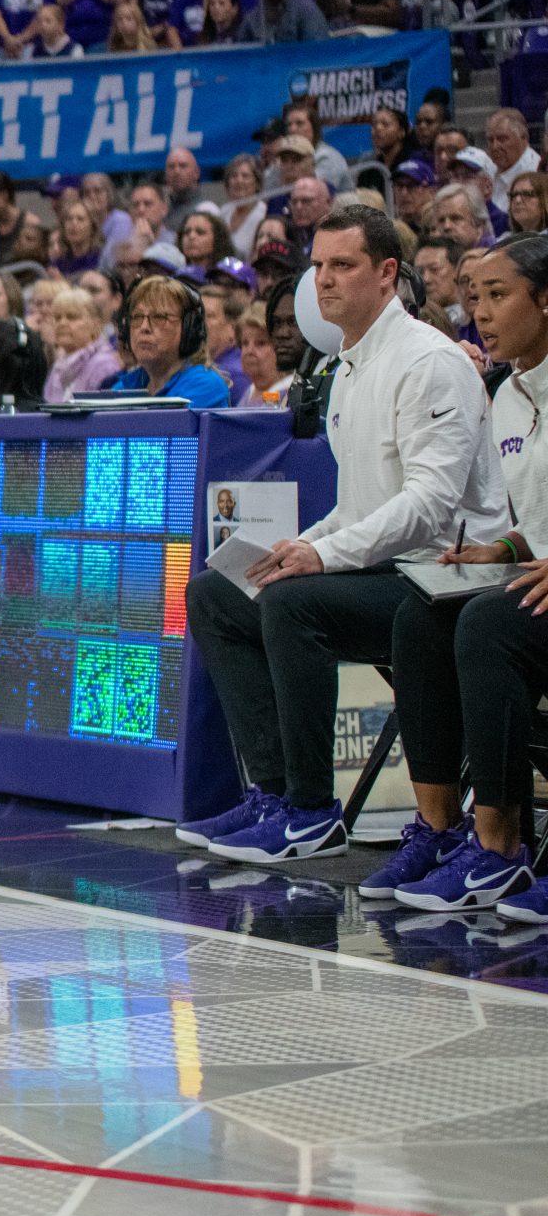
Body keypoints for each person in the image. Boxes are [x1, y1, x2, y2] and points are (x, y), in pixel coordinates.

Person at [181, 206, 507, 865]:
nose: (323, 281)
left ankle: (310, 810)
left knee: (293, 603)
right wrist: (298, 545)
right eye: (318, 266)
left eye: (342, 265)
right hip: (388, 570)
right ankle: (273, 794)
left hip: (447, 578)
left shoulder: (430, 360)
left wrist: (322, 554)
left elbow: (429, 506)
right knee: (216, 595)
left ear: (387, 273)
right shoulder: (348, 366)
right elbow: (361, 505)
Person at [375, 233, 548, 911]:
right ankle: (442, 827)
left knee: (486, 625)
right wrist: (505, 548)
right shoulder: (504, 396)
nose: (481, 311)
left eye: (499, 295)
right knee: (421, 613)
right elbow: (536, 516)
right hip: (535, 578)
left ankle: (503, 840)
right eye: (475, 296)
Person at [105, 276, 235, 406]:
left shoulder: (206, 386)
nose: (144, 327)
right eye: (137, 317)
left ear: (188, 329)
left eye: (159, 317)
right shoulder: (128, 385)